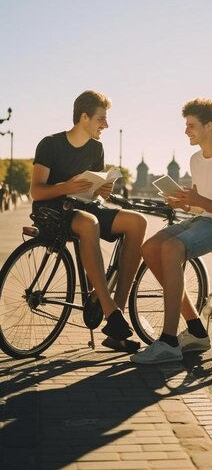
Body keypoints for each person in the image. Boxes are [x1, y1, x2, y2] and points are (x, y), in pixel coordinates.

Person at [131, 98, 212, 364]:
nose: (186, 131)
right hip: (203, 220)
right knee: (149, 248)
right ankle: (195, 330)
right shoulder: (196, 160)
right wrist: (183, 203)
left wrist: (199, 202)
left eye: (191, 125)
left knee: (171, 249)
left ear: (209, 126)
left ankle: (169, 341)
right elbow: (199, 208)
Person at [30, 90, 147, 352]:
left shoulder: (97, 148)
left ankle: (117, 312)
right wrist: (65, 186)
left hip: (85, 205)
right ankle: (111, 313)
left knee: (137, 222)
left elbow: (91, 192)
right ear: (84, 117)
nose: (106, 125)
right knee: (88, 223)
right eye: (101, 119)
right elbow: (36, 191)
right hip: (53, 210)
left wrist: (101, 191)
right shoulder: (50, 144)